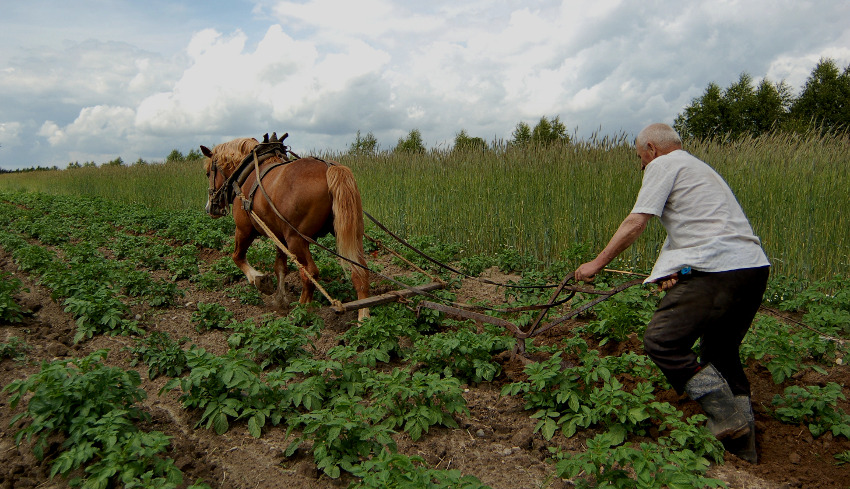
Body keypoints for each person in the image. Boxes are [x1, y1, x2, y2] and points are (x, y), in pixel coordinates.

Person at [574, 123, 770, 463]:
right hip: (751, 268)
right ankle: (743, 450)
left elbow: (636, 222)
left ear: (651, 148)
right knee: (720, 351)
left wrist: (597, 262)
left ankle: (727, 417)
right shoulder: (698, 168)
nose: (641, 165)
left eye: (640, 158)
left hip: (718, 269)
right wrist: (671, 271)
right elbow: (696, 228)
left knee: (662, 341)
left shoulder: (663, 165)